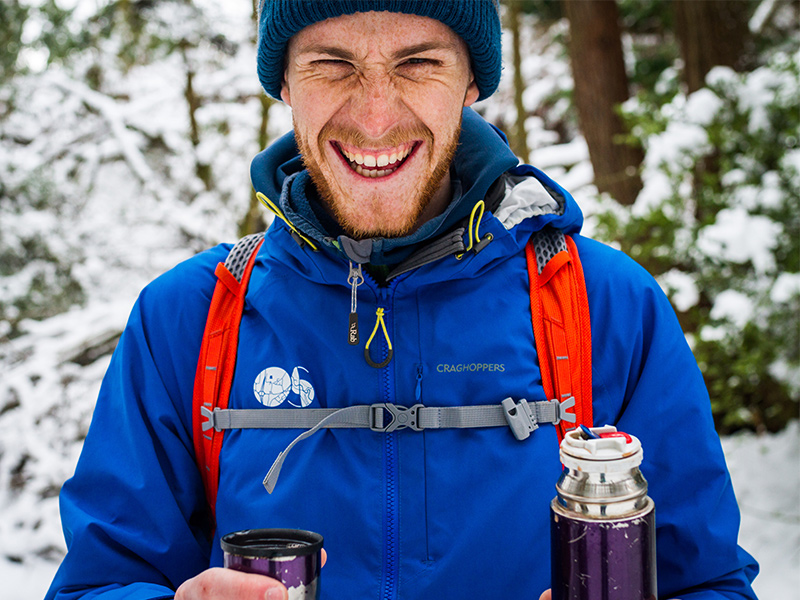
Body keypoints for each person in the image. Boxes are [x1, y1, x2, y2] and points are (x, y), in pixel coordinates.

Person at [46, 2, 759, 599]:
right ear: (285, 82)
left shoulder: (605, 308)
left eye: (417, 63)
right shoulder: (188, 320)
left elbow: (707, 582)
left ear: (471, 82)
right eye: (333, 64)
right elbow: (100, 582)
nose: (376, 116)